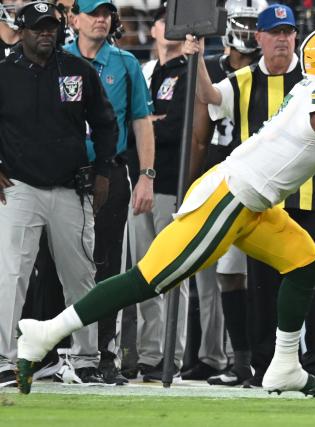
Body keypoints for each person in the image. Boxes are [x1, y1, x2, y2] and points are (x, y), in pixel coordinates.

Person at [15, 24, 315, 396]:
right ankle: (46, 333)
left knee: (303, 263)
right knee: (149, 279)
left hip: (258, 203)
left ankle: (286, 365)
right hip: (229, 199)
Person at [192, 4, 315, 383]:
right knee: (261, 287)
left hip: (311, 194)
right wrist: (197, 59)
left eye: (288, 32)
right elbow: (211, 97)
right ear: (258, 38)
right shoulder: (244, 79)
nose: (282, 39)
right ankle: (265, 365)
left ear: (296, 36)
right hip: (261, 200)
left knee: (312, 278)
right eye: (274, 32)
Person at [0, 0, 117, 388]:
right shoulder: (3, 72)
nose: (46, 33)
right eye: (38, 27)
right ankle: (5, 359)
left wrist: (103, 171)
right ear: (22, 31)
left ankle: (86, 359)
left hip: (71, 187)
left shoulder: (77, 70)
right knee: (10, 275)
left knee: (81, 276)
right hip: (18, 187)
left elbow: (105, 123)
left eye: (51, 26)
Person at [65, 0, 154, 385]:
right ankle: (57, 352)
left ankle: (104, 354)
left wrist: (147, 174)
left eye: (106, 13)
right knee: (52, 268)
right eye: (93, 13)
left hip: (110, 172)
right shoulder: (56, 57)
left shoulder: (126, 63)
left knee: (107, 267)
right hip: (60, 174)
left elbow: (140, 119)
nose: (101, 19)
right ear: (74, 19)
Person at [185, 0, 268, 385]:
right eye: (244, 24)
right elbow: (200, 132)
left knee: (263, 277)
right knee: (228, 274)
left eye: (258, 25)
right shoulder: (218, 73)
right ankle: (241, 360)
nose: (250, 33)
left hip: (264, 184)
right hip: (225, 183)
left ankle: (268, 359)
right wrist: (191, 184)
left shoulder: (275, 72)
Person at [125, 3, 189, 383]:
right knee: (142, 272)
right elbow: (137, 125)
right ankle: (149, 354)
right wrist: (146, 126)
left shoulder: (191, 69)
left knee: (171, 271)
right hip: (140, 182)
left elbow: (178, 127)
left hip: (171, 184)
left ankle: (171, 355)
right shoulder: (150, 73)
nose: (172, 27)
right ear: (155, 29)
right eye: (166, 20)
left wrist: (145, 126)